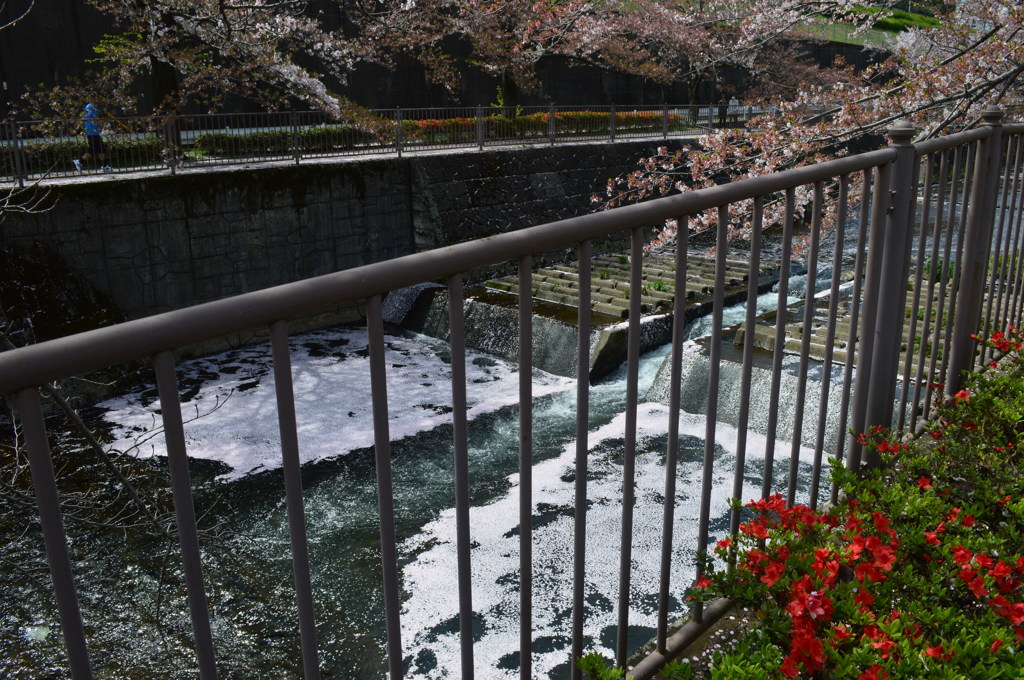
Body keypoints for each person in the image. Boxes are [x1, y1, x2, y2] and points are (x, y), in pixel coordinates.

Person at [73, 103, 112, 172]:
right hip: (94, 134)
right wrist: (103, 126)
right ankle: (80, 161)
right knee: (93, 150)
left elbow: (80, 123)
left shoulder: (85, 115)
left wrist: (76, 130)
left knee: (100, 150)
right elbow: (100, 123)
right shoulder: (94, 114)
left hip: (92, 134)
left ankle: (104, 166)